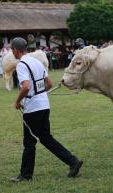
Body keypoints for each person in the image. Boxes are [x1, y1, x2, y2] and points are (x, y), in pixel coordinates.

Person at [10, 37, 83, 182]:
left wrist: (17, 101)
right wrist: (40, 93)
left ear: (14, 50)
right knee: (45, 138)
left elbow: (25, 86)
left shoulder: (21, 65)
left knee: (29, 143)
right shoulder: (36, 61)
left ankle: (25, 175)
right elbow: (48, 83)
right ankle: (73, 161)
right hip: (44, 105)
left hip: (33, 109)